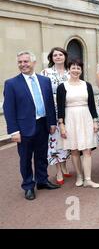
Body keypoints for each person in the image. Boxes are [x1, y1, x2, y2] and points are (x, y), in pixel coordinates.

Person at [3, 51, 60, 200]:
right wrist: (14, 131)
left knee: (42, 156)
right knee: (25, 159)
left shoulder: (44, 81)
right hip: (23, 128)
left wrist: (52, 122)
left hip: (43, 124)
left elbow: (49, 104)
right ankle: (28, 186)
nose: (23, 65)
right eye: (20, 62)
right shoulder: (11, 84)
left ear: (33, 63)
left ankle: (42, 181)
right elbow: (9, 109)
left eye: (26, 61)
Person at [57, 59, 99, 188]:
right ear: (69, 69)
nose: (75, 70)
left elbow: (92, 105)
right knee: (75, 150)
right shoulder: (62, 87)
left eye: (78, 68)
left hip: (86, 117)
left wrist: (95, 121)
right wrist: (62, 125)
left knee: (87, 150)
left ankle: (88, 179)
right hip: (70, 118)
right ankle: (79, 176)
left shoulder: (86, 85)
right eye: (73, 68)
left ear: (81, 70)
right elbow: (60, 108)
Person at [41, 47, 71, 185]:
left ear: (65, 56)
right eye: (55, 55)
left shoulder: (70, 72)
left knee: (66, 139)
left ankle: (64, 165)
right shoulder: (46, 72)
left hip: (68, 110)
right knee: (54, 140)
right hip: (53, 111)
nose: (58, 57)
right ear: (51, 58)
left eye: (60, 54)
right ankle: (58, 169)